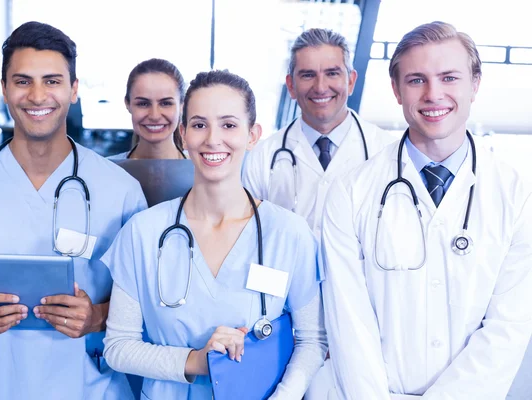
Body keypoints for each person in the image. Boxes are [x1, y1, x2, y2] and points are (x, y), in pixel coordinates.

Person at [0, 21, 147, 399]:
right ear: (4, 90)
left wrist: (96, 317)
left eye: (51, 80)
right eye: (22, 81)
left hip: (87, 384)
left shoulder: (120, 192)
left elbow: (149, 299)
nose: (36, 95)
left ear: (74, 89)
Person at [321, 21, 532, 399]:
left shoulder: (516, 195)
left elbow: (508, 327)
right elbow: (349, 322)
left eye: (449, 77)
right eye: (417, 80)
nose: (434, 94)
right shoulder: (351, 192)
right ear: (396, 90)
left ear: (475, 84)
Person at [101, 70, 327, 399]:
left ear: (253, 136)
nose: (212, 139)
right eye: (199, 124)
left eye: (229, 125)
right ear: (183, 134)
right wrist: (196, 362)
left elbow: (312, 340)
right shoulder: (143, 232)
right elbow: (118, 347)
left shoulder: (289, 234)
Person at [242, 28, 395, 240]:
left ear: (350, 81)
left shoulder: (384, 151)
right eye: (308, 75)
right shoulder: (264, 156)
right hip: (287, 273)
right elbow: (251, 239)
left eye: (332, 73)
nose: (321, 87)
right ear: (291, 86)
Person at [109, 58, 187, 161]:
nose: (154, 116)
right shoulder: (105, 170)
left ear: (182, 105)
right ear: (127, 104)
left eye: (165, 103)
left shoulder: (204, 172)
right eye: (143, 104)